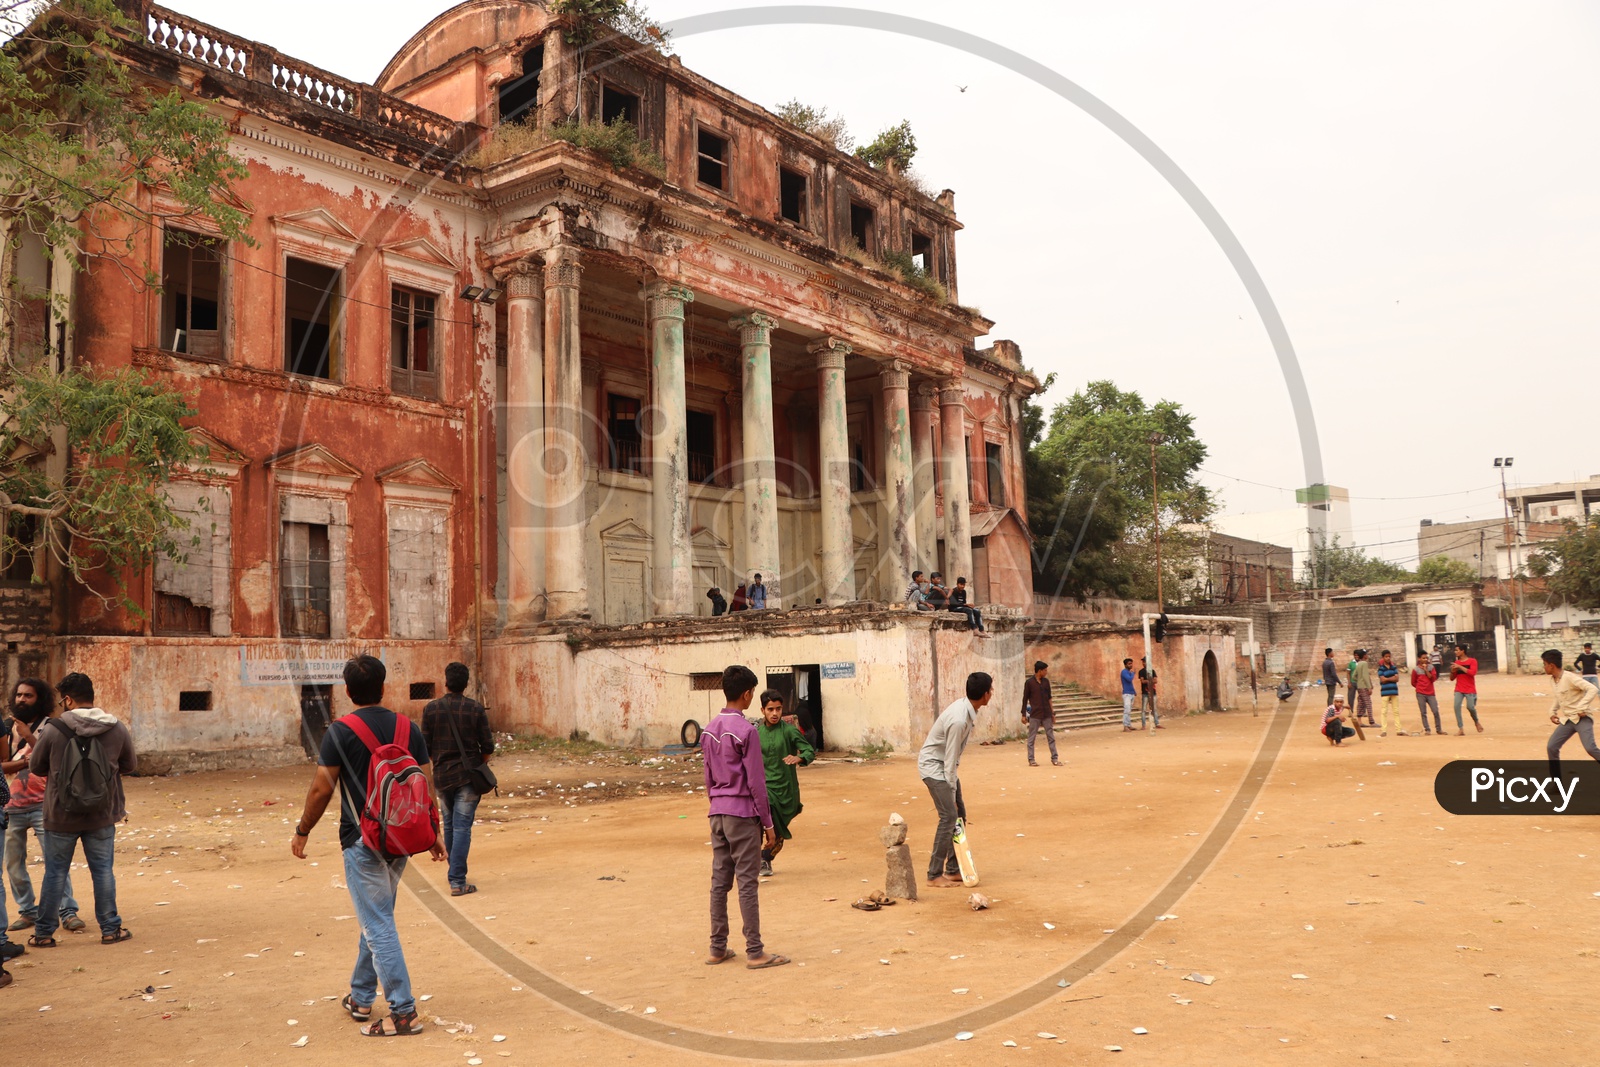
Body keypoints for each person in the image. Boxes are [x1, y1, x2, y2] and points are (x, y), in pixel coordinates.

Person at [291, 654, 445, 1036]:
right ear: (384, 687)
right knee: (377, 916)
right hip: (402, 837)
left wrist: (303, 829)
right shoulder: (408, 728)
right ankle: (361, 997)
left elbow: (321, 788)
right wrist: (434, 830)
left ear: (347, 691)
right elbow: (425, 781)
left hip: (362, 840)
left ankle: (403, 1012)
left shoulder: (340, 731)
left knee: (376, 922)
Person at [28, 672, 136, 948]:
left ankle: (43, 934)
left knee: (55, 872)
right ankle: (110, 929)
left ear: (67, 699)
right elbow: (130, 766)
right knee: (102, 872)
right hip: (102, 813)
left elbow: (36, 768)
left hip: (60, 815)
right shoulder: (116, 728)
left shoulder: (53, 729)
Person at [700, 665, 787, 969]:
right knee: (747, 883)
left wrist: (717, 805)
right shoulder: (746, 731)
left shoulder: (709, 729)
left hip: (718, 813)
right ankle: (755, 951)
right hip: (742, 814)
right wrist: (768, 824)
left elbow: (709, 779)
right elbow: (756, 783)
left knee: (719, 882)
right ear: (748, 693)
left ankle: (717, 947)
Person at [4, 680, 85, 937]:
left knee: (55, 860)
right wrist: (25, 760)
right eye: (18, 694)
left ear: (40, 699)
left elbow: (53, 761)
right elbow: (2, 765)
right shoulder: (6, 728)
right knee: (13, 864)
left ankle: (67, 911)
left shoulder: (51, 727)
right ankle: (27, 910)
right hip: (10, 806)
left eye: (28, 695)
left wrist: (29, 737)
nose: (21, 699)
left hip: (44, 803)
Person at [420, 662, 494, 898]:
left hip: (442, 776)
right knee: (462, 826)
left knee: (450, 824)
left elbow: (425, 748)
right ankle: (457, 881)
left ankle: (455, 874)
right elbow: (488, 747)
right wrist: (478, 763)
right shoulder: (475, 709)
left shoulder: (431, 709)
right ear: (466, 683)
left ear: (446, 681)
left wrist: (440, 760)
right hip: (468, 776)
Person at [918, 672, 992, 888]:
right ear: (986, 694)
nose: (991, 694)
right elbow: (950, 760)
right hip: (934, 767)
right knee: (949, 816)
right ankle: (934, 874)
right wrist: (951, 793)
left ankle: (953, 869)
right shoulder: (959, 719)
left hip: (945, 767)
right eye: (991, 691)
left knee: (960, 814)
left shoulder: (967, 709)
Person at [755, 690, 813, 878]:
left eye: (778, 709)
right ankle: (758, 859)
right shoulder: (755, 733)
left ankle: (765, 858)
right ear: (762, 710)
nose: (774, 713)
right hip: (764, 789)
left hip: (786, 790)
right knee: (763, 819)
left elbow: (808, 750)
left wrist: (799, 758)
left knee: (778, 831)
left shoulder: (789, 731)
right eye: (770, 709)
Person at [1542, 649, 1600, 778]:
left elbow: (1592, 688)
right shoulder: (1553, 680)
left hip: (1582, 719)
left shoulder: (1570, 678)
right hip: (1568, 720)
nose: (1544, 667)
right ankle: (1556, 784)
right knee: (1552, 747)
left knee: (1590, 748)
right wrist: (1552, 712)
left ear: (1551, 665)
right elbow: (1558, 696)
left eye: (1545, 664)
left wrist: (1582, 707)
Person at [1021, 660, 1060, 767]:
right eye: (1045, 670)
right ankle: (1031, 759)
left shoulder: (1046, 682)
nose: (1046, 672)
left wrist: (1053, 714)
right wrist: (1023, 714)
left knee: (1051, 736)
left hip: (1047, 713)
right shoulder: (1029, 683)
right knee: (1031, 738)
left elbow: (1049, 698)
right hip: (1035, 714)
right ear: (1040, 671)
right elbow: (1025, 699)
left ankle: (1055, 758)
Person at [1449, 642, 1483, 735]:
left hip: (1470, 689)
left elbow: (1472, 673)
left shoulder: (1472, 661)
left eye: (1457, 650)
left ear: (1462, 651)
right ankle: (1460, 728)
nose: (1455, 652)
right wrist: (1453, 671)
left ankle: (1476, 721)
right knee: (1456, 707)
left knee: (1470, 707)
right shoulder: (1456, 663)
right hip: (1459, 689)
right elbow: (1452, 678)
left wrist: (1460, 667)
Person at [1375, 650, 1405, 736]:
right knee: (1384, 711)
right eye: (1386, 657)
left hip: (1394, 691)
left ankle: (1398, 730)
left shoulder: (1394, 667)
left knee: (1396, 711)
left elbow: (1397, 679)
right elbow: (1382, 680)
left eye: (1389, 656)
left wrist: (1387, 679)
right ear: (1383, 658)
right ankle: (1383, 730)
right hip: (1385, 692)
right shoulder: (1381, 668)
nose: (1388, 658)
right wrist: (1392, 678)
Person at [1411, 652, 1442, 735]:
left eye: (1426, 658)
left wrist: (1426, 670)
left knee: (1435, 710)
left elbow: (1433, 678)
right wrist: (1419, 688)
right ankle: (1427, 729)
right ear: (1419, 659)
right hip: (1420, 693)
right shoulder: (1415, 670)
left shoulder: (1431, 668)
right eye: (1423, 658)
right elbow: (1413, 682)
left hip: (1430, 693)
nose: (1425, 660)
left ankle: (1439, 729)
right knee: (1423, 712)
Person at [1350, 649, 1375, 727]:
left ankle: (1359, 721)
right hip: (1364, 686)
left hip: (1359, 686)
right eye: (1366, 654)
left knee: (1361, 703)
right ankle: (1371, 722)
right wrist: (1369, 687)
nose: (1367, 656)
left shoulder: (1358, 664)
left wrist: (1359, 680)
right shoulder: (1364, 664)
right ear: (1364, 656)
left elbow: (1353, 676)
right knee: (1368, 703)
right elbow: (1365, 676)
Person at [1138, 657, 1163, 729]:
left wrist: (1148, 680)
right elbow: (1142, 681)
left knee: (1154, 709)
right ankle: (1143, 725)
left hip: (1153, 693)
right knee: (1143, 709)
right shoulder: (1141, 671)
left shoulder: (1152, 671)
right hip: (1145, 693)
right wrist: (1151, 680)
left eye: (1145, 662)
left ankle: (1157, 723)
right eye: (1143, 662)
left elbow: (1156, 681)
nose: (1144, 663)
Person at [1120, 658, 1137, 731]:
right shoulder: (1124, 672)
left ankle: (1129, 725)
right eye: (1129, 664)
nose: (1131, 665)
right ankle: (1125, 726)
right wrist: (1133, 673)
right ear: (1125, 665)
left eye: (1131, 663)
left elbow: (1130, 683)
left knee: (1129, 710)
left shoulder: (1129, 672)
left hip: (1131, 693)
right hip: (1126, 693)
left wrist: (1134, 691)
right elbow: (1129, 679)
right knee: (1127, 710)